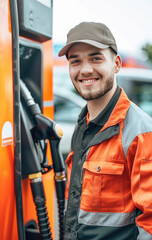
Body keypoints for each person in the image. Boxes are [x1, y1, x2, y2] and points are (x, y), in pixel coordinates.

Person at [58, 22, 152, 240]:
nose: (85, 69)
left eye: (95, 58)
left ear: (116, 64)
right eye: (76, 61)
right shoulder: (84, 124)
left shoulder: (141, 133)